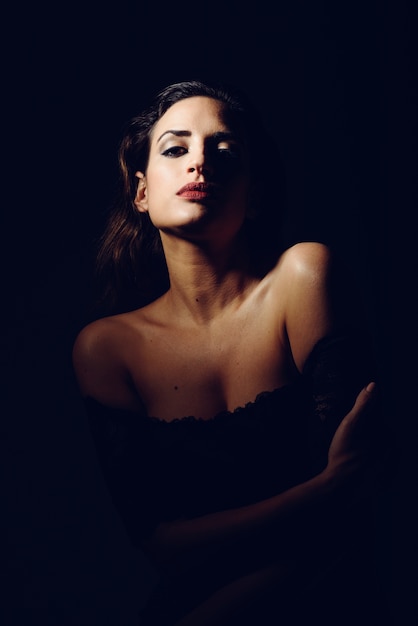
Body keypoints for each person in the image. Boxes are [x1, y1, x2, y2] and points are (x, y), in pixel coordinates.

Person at [72, 80, 392, 625]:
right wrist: (325, 488)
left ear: (255, 192)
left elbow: (355, 508)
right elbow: (164, 546)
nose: (200, 162)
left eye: (225, 151)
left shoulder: (303, 277)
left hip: (327, 599)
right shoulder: (107, 349)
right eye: (176, 149)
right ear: (141, 192)